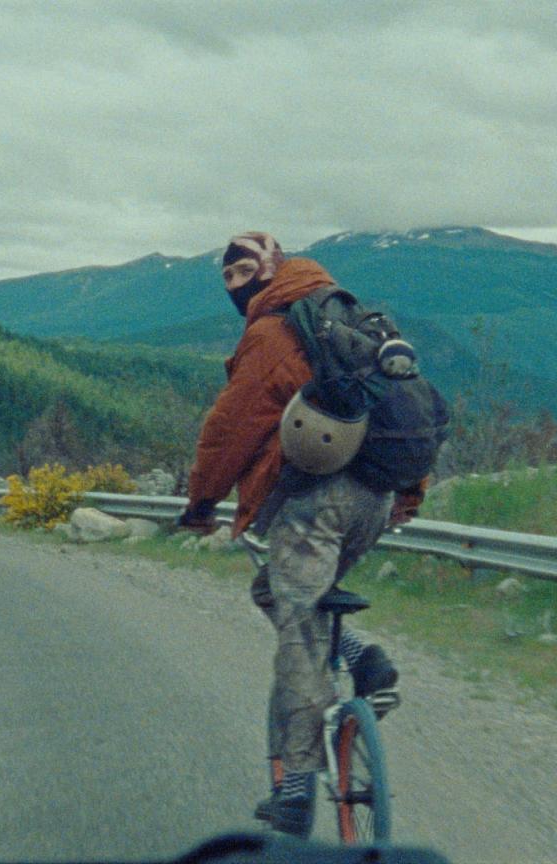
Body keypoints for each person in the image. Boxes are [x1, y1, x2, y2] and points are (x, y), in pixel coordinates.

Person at [176, 231, 425, 838]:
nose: (235, 286)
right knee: (279, 594)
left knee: (300, 641)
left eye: (243, 273)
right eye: (227, 277)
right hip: (372, 497)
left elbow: (231, 427)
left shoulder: (273, 332)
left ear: (271, 269)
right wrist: (409, 491)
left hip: (314, 501)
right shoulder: (355, 322)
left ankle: (293, 795)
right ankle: (362, 657)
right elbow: (407, 406)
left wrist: (202, 500)